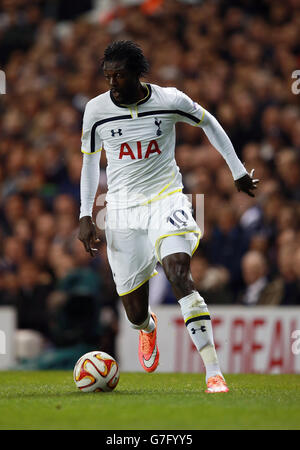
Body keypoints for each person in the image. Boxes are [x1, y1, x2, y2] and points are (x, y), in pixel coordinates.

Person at [78, 41, 259, 393]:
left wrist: (236, 171)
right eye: (108, 76)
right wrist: (86, 214)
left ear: (137, 74)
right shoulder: (96, 110)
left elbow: (210, 123)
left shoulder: (169, 100)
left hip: (166, 198)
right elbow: (89, 162)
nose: (112, 83)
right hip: (122, 209)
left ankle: (213, 372)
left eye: (119, 76)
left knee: (178, 269)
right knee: (133, 311)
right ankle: (147, 328)